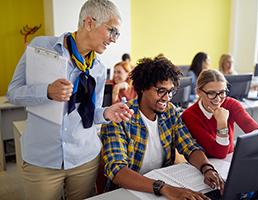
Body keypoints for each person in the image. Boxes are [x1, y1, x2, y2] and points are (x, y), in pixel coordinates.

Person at [6, 0, 133, 199]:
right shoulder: (41, 47)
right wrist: (47, 91)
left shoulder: (98, 68)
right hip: (42, 161)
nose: (114, 39)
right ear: (89, 23)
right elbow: (13, 93)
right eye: (112, 31)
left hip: (85, 159)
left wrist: (106, 113)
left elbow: (90, 114)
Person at [100, 56, 224, 199]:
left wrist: (207, 168)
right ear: (142, 89)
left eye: (170, 91)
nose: (167, 98)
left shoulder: (170, 112)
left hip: (161, 189)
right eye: (161, 91)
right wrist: (164, 188)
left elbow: (189, 146)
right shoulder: (119, 118)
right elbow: (118, 171)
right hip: (128, 192)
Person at [182, 69, 258, 159]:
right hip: (208, 164)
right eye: (211, 93)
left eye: (222, 92)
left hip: (228, 160)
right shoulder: (189, 116)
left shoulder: (231, 104)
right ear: (199, 92)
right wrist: (222, 123)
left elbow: (255, 130)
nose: (218, 99)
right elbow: (219, 153)